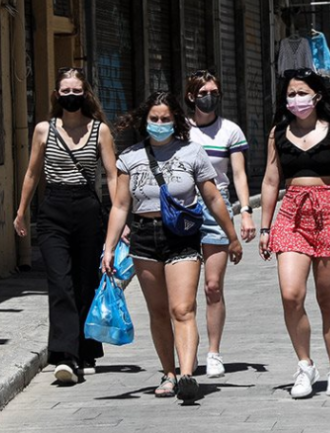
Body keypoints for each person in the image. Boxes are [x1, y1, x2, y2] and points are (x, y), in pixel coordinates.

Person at [101, 91, 243, 402]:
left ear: (176, 121)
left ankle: (188, 374)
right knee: (158, 311)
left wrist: (231, 235)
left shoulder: (192, 152)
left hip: (182, 236)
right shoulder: (130, 157)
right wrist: (109, 247)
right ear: (145, 121)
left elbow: (214, 198)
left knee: (182, 308)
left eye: (166, 119)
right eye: (155, 119)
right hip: (144, 236)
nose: (160, 124)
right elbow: (121, 205)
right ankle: (169, 372)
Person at [259, 68, 330, 399]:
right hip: (292, 214)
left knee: (328, 299)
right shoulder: (277, 134)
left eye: (302, 93)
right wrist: (265, 228)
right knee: (291, 294)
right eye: (291, 94)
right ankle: (305, 365)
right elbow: (270, 181)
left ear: (317, 96)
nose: (296, 99)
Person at [13, 67, 118, 384]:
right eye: (65, 91)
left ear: (85, 94)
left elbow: (112, 176)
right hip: (53, 211)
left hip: (88, 211)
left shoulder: (100, 131)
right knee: (61, 283)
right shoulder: (44, 130)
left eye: (76, 91)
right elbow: (32, 173)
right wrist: (21, 212)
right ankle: (65, 356)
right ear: (56, 95)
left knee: (85, 283)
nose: (71, 97)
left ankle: (86, 350)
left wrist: (119, 217)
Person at [184, 70, 257, 378]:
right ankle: (188, 348)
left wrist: (247, 212)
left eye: (214, 92)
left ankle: (214, 351)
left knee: (212, 286)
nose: (209, 97)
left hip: (217, 207)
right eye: (203, 92)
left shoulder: (230, 131)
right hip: (184, 209)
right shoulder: (179, 130)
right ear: (191, 97)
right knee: (184, 292)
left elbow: (239, 174)